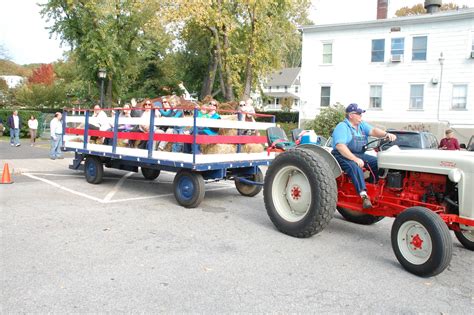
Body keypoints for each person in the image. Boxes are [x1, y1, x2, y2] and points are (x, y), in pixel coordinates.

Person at [331, 103, 397, 209]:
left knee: (377, 162)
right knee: (354, 166)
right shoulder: (342, 127)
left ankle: (374, 186)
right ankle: (364, 196)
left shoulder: (361, 125)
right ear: (351, 115)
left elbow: (373, 131)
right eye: (359, 114)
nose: (361, 116)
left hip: (359, 154)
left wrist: (386, 134)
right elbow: (340, 146)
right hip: (342, 155)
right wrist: (355, 159)